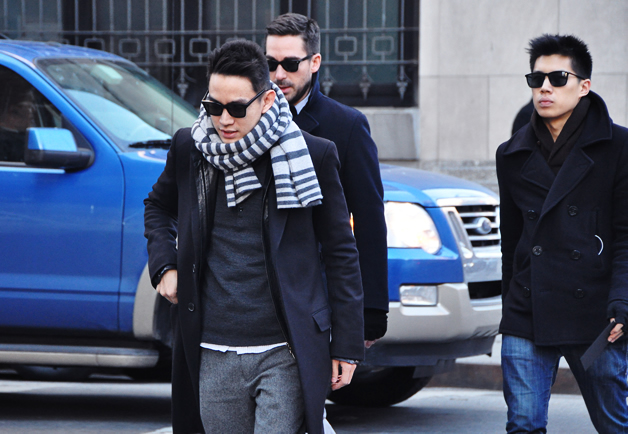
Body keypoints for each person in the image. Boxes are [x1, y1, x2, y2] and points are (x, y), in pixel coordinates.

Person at [144, 40, 364, 434]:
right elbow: (158, 207)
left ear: (266, 101)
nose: (224, 120)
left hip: (286, 348)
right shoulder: (191, 148)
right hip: (211, 348)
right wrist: (165, 266)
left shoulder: (312, 155)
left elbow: (341, 252)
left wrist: (347, 346)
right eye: (213, 107)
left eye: (237, 108)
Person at [496, 34, 628, 433]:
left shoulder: (619, 147)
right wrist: (509, 303)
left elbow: (625, 236)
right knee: (523, 423)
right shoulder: (511, 154)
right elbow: (512, 240)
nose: (545, 88)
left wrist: (622, 301)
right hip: (528, 310)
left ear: (584, 86)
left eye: (557, 78)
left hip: (596, 313)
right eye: (536, 79)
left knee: (614, 423)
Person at [265, 14, 389, 349]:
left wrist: (371, 310)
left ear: (315, 62)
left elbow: (369, 220)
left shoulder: (347, 125)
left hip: (317, 297)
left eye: (291, 64)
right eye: (271, 64)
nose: (279, 74)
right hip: (258, 296)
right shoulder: (248, 119)